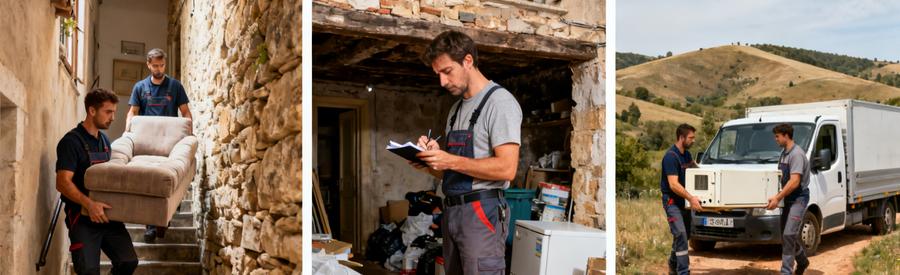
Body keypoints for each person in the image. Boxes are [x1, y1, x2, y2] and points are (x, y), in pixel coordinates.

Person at [409, 30, 522, 275]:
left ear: (467, 61)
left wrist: (450, 159)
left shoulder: (499, 103)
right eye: (437, 74)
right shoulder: (455, 110)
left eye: (447, 71)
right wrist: (433, 162)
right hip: (452, 213)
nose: (442, 81)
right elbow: (455, 172)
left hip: (482, 213)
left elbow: (507, 169)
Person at [56, 88, 138, 275]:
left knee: (128, 261)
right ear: (92, 111)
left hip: (108, 215)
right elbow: (62, 182)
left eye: (114, 112)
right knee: (89, 270)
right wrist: (89, 204)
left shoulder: (105, 142)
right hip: (81, 216)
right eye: (108, 112)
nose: (113, 117)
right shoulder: (71, 142)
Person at [126, 48, 192, 243]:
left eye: (162, 65)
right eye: (155, 65)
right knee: (149, 181)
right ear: (148, 65)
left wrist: (189, 132)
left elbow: (186, 112)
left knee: (167, 179)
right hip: (147, 141)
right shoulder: (140, 87)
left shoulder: (175, 86)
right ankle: (150, 226)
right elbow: (133, 112)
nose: (159, 69)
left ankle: (164, 219)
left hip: (170, 140)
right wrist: (128, 131)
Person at [660, 123, 703, 275]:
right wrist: (691, 198)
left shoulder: (687, 155)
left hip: (684, 202)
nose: (693, 140)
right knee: (681, 235)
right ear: (681, 137)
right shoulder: (670, 157)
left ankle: (672, 263)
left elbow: (696, 171)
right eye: (691, 138)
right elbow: (673, 185)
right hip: (672, 202)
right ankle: (683, 271)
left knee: (685, 235)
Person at [767, 123, 810, 275]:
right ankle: (803, 261)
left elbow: (794, 182)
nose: (776, 139)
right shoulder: (784, 153)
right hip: (787, 199)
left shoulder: (796, 154)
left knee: (789, 235)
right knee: (787, 236)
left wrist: (777, 198)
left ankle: (786, 272)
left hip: (798, 198)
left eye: (777, 136)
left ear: (786, 136)